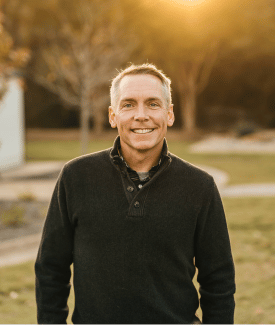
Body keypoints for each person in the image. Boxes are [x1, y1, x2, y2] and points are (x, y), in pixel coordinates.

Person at [35, 63, 235, 324]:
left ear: (170, 114)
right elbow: (51, 269)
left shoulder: (200, 186)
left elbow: (218, 281)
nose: (141, 115)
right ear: (112, 115)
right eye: (128, 104)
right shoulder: (75, 177)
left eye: (153, 104)